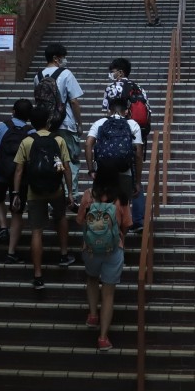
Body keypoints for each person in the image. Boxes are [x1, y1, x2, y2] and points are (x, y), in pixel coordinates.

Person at [13, 106, 75, 288]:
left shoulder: (26, 141)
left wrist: (16, 193)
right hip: (56, 189)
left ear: (31, 122)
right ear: (49, 121)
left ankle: (38, 274)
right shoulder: (58, 139)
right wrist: (70, 192)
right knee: (61, 217)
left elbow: (18, 170)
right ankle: (64, 255)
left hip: (34, 191)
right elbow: (66, 168)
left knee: (36, 231)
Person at [76, 162, 132, 352]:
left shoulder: (88, 195)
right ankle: (103, 338)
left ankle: (93, 315)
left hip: (90, 248)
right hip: (113, 250)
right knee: (108, 293)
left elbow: (79, 220)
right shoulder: (121, 198)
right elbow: (127, 224)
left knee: (92, 278)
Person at [102, 58, 151, 232]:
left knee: (112, 178)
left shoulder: (112, 88)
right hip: (134, 135)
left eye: (113, 70)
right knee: (134, 180)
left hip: (114, 138)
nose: (111, 74)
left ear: (120, 72)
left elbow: (108, 111)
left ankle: (113, 217)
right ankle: (137, 219)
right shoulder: (139, 88)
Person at [34, 43, 84, 211]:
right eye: (62, 56)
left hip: (45, 125)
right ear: (56, 58)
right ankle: (73, 197)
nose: (64, 59)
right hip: (65, 124)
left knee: (50, 160)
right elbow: (74, 101)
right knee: (70, 160)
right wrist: (79, 123)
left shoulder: (38, 76)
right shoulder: (66, 74)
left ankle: (49, 198)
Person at [0, 98, 35, 262]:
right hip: (21, 177)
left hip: (0, 172)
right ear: (29, 116)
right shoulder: (31, 131)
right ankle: (11, 251)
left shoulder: (1, 126)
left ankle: (2, 227)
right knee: (17, 212)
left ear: (13, 111)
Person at [86, 85, 143, 222]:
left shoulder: (100, 123)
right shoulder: (132, 124)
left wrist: (91, 169)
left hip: (103, 172)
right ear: (126, 111)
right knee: (123, 207)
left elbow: (88, 144)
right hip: (125, 172)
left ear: (109, 111)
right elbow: (139, 153)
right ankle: (120, 240)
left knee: (103, 206)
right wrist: (137, 181)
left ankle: (104, 236)